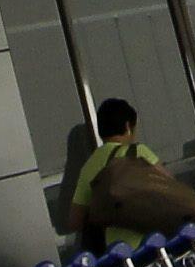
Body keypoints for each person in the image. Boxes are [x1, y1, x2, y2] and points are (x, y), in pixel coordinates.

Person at [69, 97, 162, 250]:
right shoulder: (137, 152)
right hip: (148, 242)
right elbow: (171, 186)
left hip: (114, 253)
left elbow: (75, 221)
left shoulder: (90, 165)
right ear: (128, 126)